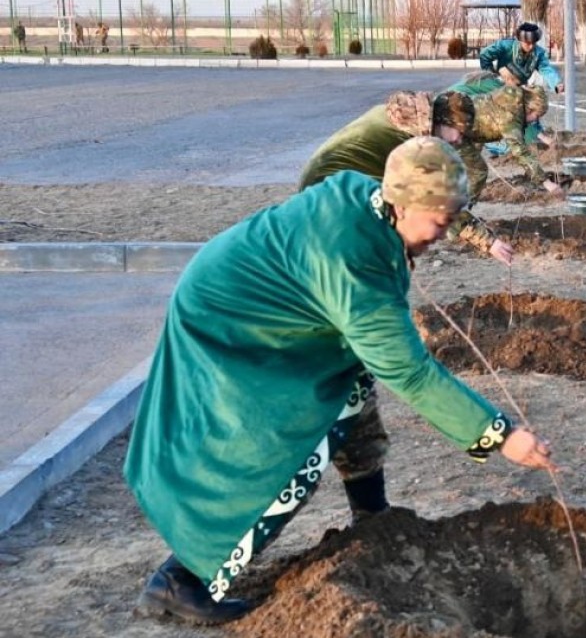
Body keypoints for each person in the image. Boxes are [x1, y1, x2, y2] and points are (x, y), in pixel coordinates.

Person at [126, 137, 555, 626]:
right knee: (273, 448)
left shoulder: (373, 203)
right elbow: (410, 372)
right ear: (401, 203)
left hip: (269, 312)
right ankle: (178, 579)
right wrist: (500, 434)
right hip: (231, 324)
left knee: (350, 392)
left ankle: (373, 520)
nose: (442, 232)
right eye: (438, 219)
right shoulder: (352, 258)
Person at [298, 89, 515, 265]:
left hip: (323, 179)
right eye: (460, 133)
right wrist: (490, 242)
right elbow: (435, 201)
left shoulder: (402, 116)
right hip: (330, 190)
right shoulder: (413, 145)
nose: (459, 141)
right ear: (445, 123)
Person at [436, 80, 561, 200]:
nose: (535, 120)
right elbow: (520, 152)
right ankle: (456, 213)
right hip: (452, 128)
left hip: (460, 128)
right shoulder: (510, 116)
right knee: (477, 172)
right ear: (530, 108)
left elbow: (480, 125)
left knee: (469, 170)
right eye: (537, 116)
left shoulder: (509, 99)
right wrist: (547, 183)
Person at [478, 22, 563, 94]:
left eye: (534, 43)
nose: (531, 46)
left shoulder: (538, 53)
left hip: (519, 89)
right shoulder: (505, 46)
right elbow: (484, 54)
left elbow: (546, 69)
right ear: (520, 40)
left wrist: (556, 83)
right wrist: (490, 75)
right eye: (528, 43)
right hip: (499, 87)